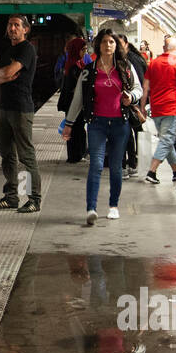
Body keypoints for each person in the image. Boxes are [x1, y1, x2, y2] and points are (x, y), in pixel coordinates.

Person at [63, 28, 143, 225]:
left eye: (112, 42)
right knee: (96, 165)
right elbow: (78, 100)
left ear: (116, 46)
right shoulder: (88, 71)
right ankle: (91, 208)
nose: (108, 45)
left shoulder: (125, 67)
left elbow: (138, 89)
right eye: (105, 41)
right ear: (98, 44)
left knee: (116, 167)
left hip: (120, 123)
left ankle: (113, 206)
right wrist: (69, 124)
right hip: (97, 123)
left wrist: (131, 97)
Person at [0, 15, 42, 213]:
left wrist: (2, 73)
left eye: (17, 25)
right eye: (10, 25)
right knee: (7, 155)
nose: (12, 28)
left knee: (26, 156)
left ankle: (33, 199)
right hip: (5, 107)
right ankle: (11, 197)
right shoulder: (6, 49)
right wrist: (4, 77)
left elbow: (7, 70)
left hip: (21, 108)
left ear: (25, 30)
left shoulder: (27, 49)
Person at [143, 35, 176, 184]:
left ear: (164, 48)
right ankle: (152, 171)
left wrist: (143, 106)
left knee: (166, 140)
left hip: (155, 107)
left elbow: (145, 87)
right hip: (170, 108)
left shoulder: (153, 63)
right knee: (167, 139)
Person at [118, 35, 148, 177]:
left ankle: (128, 165)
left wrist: (136, 101)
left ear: (126, 44)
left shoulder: (130, 61)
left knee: (126, 134)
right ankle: (132, 163)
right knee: (129, 134)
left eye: (118, 43)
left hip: (130, 103)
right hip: (132, 102)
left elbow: (138, 84)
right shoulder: (133, 58)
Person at [56, 36, 88, 164]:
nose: (84, 52)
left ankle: (78, 154)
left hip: (75, 102)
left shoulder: (76, 63)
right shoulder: (74, 67)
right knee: (75, 129)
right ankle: (74, 156)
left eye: (85, 49)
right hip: (73, 103)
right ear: (76, 50)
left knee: (78, 129)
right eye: (82, 50)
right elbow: (73, 88)